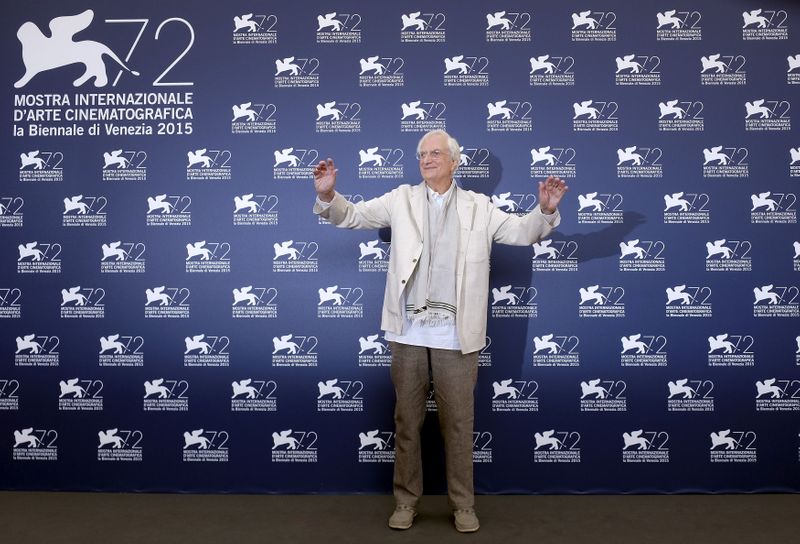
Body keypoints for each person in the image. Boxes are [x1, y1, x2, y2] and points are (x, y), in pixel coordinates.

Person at [312, 129, 567, 533]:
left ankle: (463, 506)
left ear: (454, 161)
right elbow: (354, 216)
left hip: (456, 335)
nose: (427, 159)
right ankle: (405, 502)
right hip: (408, 332)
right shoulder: (400, 199)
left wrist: (545, 211)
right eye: (422, 154)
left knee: (460, 426)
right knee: (406, 422)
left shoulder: (479, 207)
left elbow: (521, 231)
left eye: (435, 153)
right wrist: (328, 196)